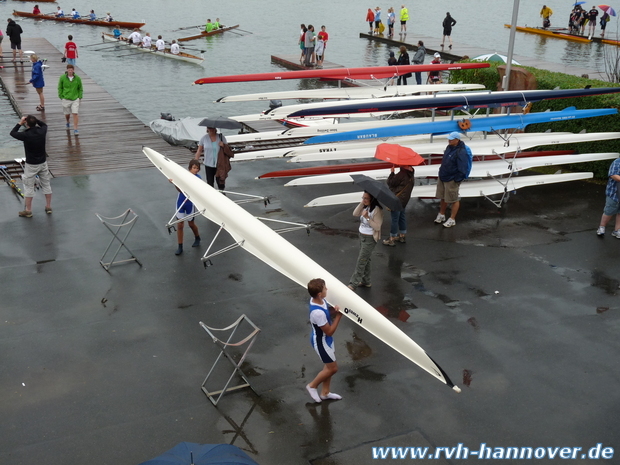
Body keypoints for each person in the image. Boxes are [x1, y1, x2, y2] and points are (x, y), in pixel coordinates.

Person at [305, 278, 343, 403]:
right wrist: (338, 316)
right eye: (325, 288)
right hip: (322, 342)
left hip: (326, 340)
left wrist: (334, 310)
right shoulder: (317, 313)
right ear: (320, 294)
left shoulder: (318, 300)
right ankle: (312, 386)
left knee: (328, 367)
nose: (327, 289)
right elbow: (329, 331)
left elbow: (327, 310)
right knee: (333, 368)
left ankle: (325, 393)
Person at [10, 115, 52, 218]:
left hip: (31, 164)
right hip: (43, 163)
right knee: (46, 184)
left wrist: (20, 123)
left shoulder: (25, 135)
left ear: (26, 124)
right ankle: (48, 207)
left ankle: (28, 210)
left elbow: (12, 133)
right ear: (35, 122)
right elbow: (44, 124)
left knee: (28, 186)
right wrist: (35, 120)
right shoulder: (42, 131)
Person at [434, 132, 472, 228]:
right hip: (443, 176)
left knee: (454, 199)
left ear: (457, 139)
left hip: (452, 179)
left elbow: (462, 168)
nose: (449, 140)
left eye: (451, 139)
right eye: (449, 138)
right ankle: (441, 214)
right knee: (443, 196)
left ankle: (452, 219)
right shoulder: (449, 147)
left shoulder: (461, 151)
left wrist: (456, 179)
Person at [348, 191, 383, 289]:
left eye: (366, 198)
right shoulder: (365, 207)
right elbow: (355, 213)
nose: (364, 200)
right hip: (362, 236)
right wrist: (362, 203)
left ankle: (353, 283)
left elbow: (377, 227)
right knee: (366, 259)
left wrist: (367, 218)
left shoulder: (377, 210)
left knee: (361, 260)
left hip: (370, 238)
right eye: (363, 198)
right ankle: (366, 281)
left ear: (372, 199)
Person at [172, 159, 202, 255]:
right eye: (194, 168)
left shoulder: (198, 178)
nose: (196, 170)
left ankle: (197, 237)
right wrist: (174, 183)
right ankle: (180, 246)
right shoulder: (183, 176)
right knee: (180, 225)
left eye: (197, 168)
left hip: (190, 203)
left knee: (191, 224)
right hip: (181, 202)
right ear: (189, 168)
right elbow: (180, 190)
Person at [194, 127, 234, 191]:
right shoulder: (204, 138)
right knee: (210, 183)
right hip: (208, 164)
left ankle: (222, 195)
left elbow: (228, 149)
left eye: (212, 128)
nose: (211, 129)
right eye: (209, 128)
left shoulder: (221, 137)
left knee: (220, 182)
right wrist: (195, 161)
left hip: (219, 164)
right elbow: (199, 150)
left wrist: (223, 145)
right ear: (207, 129)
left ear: (215, 128)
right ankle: (211, 196)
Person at [383, 165, 414, 246]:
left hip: (397, 200)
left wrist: (392, 173)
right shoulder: (411, 173)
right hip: (404, 200)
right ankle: (402, 235)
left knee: (395, 219)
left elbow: (390, 183)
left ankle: (392, 238)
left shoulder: (402, 174)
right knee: (402, 217)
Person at [597, 158, 620, 238]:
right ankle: (602, 227)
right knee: (609, 211)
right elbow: (613, 175)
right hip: (614, 193)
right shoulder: (617, 162)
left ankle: (617, 230)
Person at [58, 64, 83, 135]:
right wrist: (61, 96)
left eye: (71, 70)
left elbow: (80, 88)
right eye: (69, 70)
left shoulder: (77, 78)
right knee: (67, 114)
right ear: (67, 70)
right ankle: (67, 122)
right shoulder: (62, 77)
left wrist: (80, 96)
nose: (70, 71)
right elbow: (60, 87)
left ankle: (75, 129)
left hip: (75, 98)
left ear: (73, 70)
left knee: (75, 113)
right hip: (66, 98)